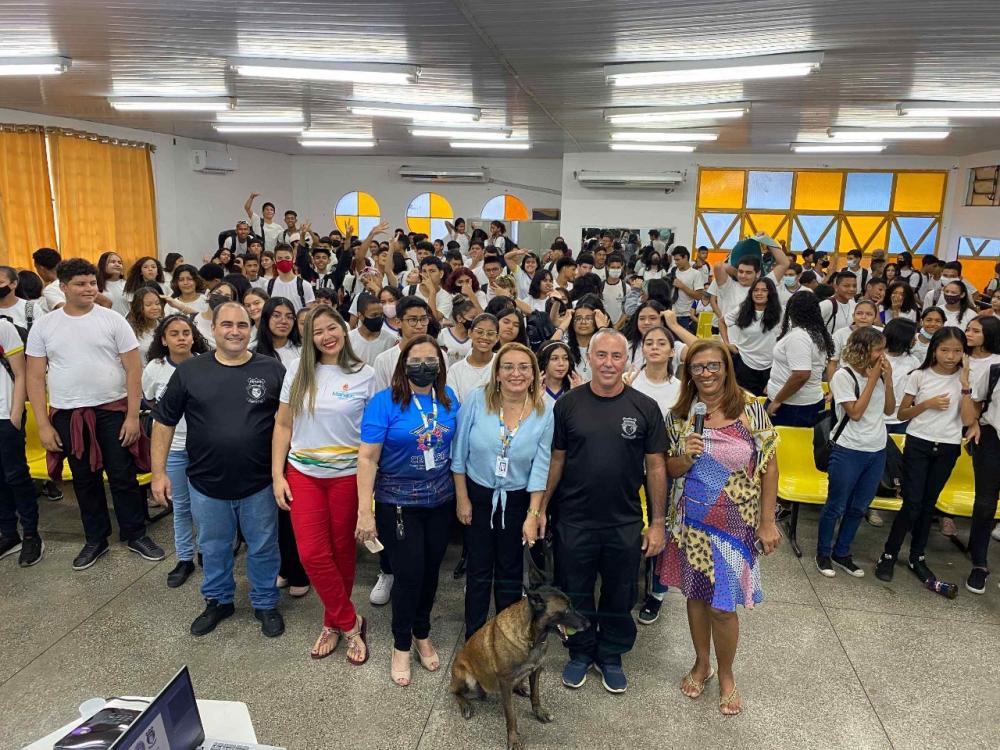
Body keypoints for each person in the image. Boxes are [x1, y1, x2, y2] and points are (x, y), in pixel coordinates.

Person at [540, 329, 668, 694]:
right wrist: (543, 508)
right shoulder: (568, 405)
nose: (608, 363)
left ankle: (611, 655)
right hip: (574, 520)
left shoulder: (644, 407)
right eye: (601, 356)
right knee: (575, 592)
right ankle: (579, 652)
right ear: (589, 359)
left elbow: (656, 466)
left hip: (624, 521)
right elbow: (557, 459)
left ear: (626, 360)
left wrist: (656, 523)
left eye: (616, 356)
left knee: (619, 592)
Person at [658, 339, 780, 716]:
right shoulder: (680, 415)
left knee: (723, 608)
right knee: (695, 597)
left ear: (726, 367)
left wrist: (768, 520)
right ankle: (701, 663)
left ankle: (726, 674)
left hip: (735, 523)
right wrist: (686, 454)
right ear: (689, 373)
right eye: (698, 367)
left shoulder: (750, 409)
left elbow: (770, 465)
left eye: (713, 366)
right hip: (692, 521)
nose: (706, 373)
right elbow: (670, 469)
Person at [151, 301, 286, 637]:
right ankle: (218, 601)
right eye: (227, 325)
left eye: (242, 325)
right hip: (206, 483)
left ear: (252, 329)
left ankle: (266, 602)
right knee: (213, 546)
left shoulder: (272, 370)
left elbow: (288, 424)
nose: (235, 331)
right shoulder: (189, 371)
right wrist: (158, 472)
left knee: (264, 546)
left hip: (259, 483)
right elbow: (164, 422)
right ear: (213, 329)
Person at [26, 258, 164, 570]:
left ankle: (135, 534)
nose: (89, 289)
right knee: (84, 478)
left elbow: (133, 369)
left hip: (112, 410)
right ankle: (95, 539)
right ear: (63, 288)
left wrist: (132, 416)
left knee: (122, 474)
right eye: (81, 284)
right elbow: (35, 377)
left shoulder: (112, 320)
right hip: (69, 413)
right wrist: (45, 425)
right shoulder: (45, 325)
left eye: (92, 283)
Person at [272, 306, 376, 662]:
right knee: (312, 555)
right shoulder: (298, 372)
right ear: (309, 338)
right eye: (317, 332)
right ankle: (351, 623)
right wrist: (277, 475)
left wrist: (369, 492)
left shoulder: (366, 374)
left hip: (348, 476)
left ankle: (331, 623)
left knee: (343, 554)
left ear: (345, 330)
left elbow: (374, 437)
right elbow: (283, 426)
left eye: (332, 328)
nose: (326, 336)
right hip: (304, 474)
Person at [355, 335, 460, 687]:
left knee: (431, 573)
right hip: (397, 501)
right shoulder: (384, 403)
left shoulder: (448, 400)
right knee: (409, 574)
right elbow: (367, 458)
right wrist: (364, 511)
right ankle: (401, 644)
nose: (425, 366)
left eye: (432, 360)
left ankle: (421, 632)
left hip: (440, 500)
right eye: (417, 360)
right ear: (403, 365)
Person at [452, 343, 553, 640]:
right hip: (478, 496)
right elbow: (459, 454)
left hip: (517, 499)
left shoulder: (544, 412)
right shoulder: (476, 401)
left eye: (524, 367)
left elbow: (541, 466)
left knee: (510, 573)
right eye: (507, 366)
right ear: (496, 373)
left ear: (534, 374)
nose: (516, 373)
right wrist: (462, 498)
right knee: (479, 570)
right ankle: (474, 638)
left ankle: (506, 641)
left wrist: (533, 514)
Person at [875, 327, 969, 587]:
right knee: (912, 503)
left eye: (957, 351)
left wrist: (966, 388)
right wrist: (926, 404)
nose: (951, 356)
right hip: (919, 443)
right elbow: (902, 413)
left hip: (949, 445)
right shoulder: (919, 375)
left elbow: (970, 419)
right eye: (945, 350)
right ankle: (889, 553)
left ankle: (918, 556)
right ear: (934, 350)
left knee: (929, 505)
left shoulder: (966, 378)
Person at [816, 327, 895, 578]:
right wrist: (871, 380)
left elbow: (890, 409)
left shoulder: (879, 375)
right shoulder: (843, 376)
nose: (883, 355)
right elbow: (856, 413)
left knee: (859, 507)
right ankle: (823, 553)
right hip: (848, 449)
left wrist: (888, 379)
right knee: (836, 505)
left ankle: (842, 552)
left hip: (876, 449)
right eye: (879, 349)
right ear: (863, 350)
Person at [142, 315, 210, 588]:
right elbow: (150, 399)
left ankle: (207, 552)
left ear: (194, 336)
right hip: (174, 448)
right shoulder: (155, 368)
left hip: (204, 447)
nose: (182, 337)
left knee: (206, 506)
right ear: (163, 339)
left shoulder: (206, 365)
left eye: (186, 332)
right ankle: (184, 558)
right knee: (181, 506)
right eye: (174, 333)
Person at [0, 315, 42, 567]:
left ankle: (30, 534)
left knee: (15, 476)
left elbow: (20, 373)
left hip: (5, 414)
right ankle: (8, 533)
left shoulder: (3, 327)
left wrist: (16, 414)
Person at [765, 291, 834, 427]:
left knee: (782, 446)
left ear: (792, 311)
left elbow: (801, 374)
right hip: (799, 403)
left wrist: (778, 400)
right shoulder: (814, 332)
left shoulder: (799, 336)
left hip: (792, 406)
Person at [963, 345, 1000, 594]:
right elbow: (977, 403)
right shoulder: (994, 370)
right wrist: (974, 422)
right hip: (991, 442)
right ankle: (979, 564)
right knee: (985, 503)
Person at [722, 277, 781, 397]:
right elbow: (722, 322)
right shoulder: (742, 309)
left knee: (764, 405)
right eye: (756, 290)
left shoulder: (781, 313)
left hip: (770, 366)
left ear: (771, 293)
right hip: (744, 363)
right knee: (745, 402)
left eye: (764, 290)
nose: (759, 293)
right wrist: (727, 343)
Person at [447, 313, 498, 402]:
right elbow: (453, 403)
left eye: (490, 334)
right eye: (479, 332)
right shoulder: (455, 370)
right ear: (470, 333)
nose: (484, 337)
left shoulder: (502, 364)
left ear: (497, 337)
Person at [827, 299, 880, 380]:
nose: (863, 317)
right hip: (845, 380)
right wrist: (831, 389)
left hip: (873, 379)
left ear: (875, 318)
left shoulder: (881, 333)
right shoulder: (840, 334)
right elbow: (832, 363)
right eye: (859, 313)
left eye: (869, 314)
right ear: (853, 316)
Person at [349, 292, 399, 367]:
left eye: (381, 315)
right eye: (374, 315)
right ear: (360, 316)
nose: (379, 318)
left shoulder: (391, 340)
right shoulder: (348, 339)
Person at [266, 245, 315, 312]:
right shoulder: (268, 285)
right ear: (274, 260)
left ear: (293, 259)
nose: (284, 261)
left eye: (287, 258)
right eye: (280, 258)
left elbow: (310, 313)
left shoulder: (305, 286)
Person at [255, 297, 302, 367]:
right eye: (276, 315)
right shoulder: (252, 350)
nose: (284, 321)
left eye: (289, 317)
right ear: (266, 318)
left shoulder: (302, 351)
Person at [668, 246, 704, 333]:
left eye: (678, 260)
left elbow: (699, 296)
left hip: (687, 315)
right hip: (672, 313)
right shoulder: (672, 271)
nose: (676, 262)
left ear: (686, 257)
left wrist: (682, 286)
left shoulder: (696, 274)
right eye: (675, 260)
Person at [125, 287, 164, 362]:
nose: (155, 307)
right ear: (138, 307)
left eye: (157, 303)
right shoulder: (129, 329)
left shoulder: (165, 325)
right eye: (148, 305)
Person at [437, 299, 476, 367]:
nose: (475, 321)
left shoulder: (475, 339)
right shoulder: (442, 335)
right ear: (459, 318)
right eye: (472, 318)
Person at [967, 316, 1000, 386]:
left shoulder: (997, 361)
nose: (968, 334)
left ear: (990, 334)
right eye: (968, 330)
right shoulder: (960, 356)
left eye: (976, 331)